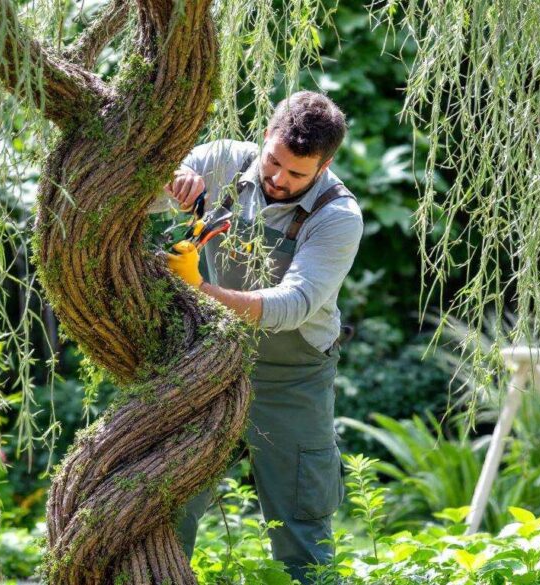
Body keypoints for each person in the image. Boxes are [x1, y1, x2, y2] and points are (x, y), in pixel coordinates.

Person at [156, 90, 363, 583]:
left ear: (324, 164)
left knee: (303, 524)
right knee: (168, 502)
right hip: (212, 361)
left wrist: (199, 289)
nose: (278, 179)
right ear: (267, 135)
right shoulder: (223, 160)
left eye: (297, 174)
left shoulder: (338, 217)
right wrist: (170, 178)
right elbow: (139, 198)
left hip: (293, 378)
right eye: (274, 162)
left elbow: (291, 307)